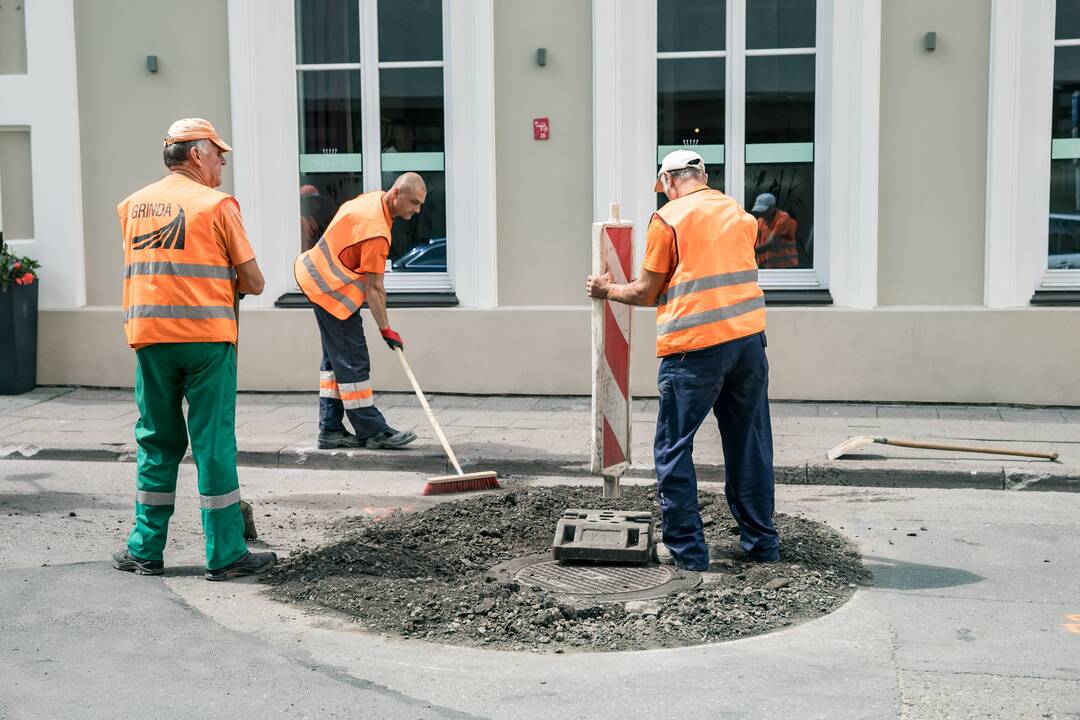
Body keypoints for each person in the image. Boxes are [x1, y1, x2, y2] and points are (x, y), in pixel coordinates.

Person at [585, 149, 780, 570]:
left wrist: (606, 290)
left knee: (673, 449)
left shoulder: (669, 219)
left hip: (694, 350)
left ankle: (690, 553)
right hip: (747, 344)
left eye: (663, 188)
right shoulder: (738, 213)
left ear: (669, 180)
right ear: (703, 176)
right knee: (750, 445)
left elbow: (647, 292)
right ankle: (762, 543)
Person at [112, 118, 276, 581]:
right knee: (212, 442)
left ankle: (144, 550)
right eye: (218, 152)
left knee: (157, 442)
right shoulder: (217, 205)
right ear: (196, 155)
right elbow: (255, 281)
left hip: (149, 339)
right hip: (206, 340)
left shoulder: (132, 205)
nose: (222, 160)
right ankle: (225, 555)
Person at [293, 173, 425, 450]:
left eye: (421, 204)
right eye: (414, 202)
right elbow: (374, 288)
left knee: (335, 361)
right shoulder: (376, 230)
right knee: (353, 360)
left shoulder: (372, 201)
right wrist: (386, 329)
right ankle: (372, 431)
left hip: (317, 280)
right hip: (331, 291)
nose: (417, 210)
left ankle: (330, 430)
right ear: (397, 193)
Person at [751, 192, 799, 269]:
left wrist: (748, 251)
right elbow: (753, 240)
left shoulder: (783, 218)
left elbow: (770, 244)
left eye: (763, 210)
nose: (761, 213)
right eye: (759, 210)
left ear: (772, 207)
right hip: (768, 267)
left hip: (786, 268)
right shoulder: (760, 221)